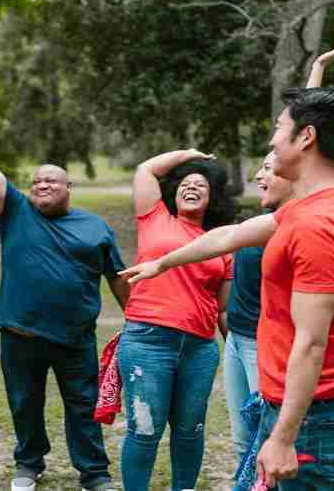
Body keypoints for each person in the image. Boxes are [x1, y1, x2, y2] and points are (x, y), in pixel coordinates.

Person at [120, 85, 334, 491]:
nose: (271, 139)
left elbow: (311, 343)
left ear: (306, 137)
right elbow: (230, 235)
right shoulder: (306, 208)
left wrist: (284, 437)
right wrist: (163, 262)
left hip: (310, 418)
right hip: (295, 407)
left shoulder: (317, 225)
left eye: (279, 127)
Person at [0, 92, 129, 491]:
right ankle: (29, 463)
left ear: (68, 187)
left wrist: (136, 318)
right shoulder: (16, 212)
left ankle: (94, 473)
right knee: (25, 404)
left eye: (51, 181)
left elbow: (117, 276)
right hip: (21, 334)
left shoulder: (95, 226)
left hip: (75, 339)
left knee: (83, 406)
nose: (42, 185)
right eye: (36, 181)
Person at [224, 37, 334, 462]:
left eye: (269, 160)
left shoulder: (305, 209)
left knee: (261, 445)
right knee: (246, 443)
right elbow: (304, 125)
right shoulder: (273, 213)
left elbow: (307, 136)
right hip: (241, 335)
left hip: (272, 352)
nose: (265, 167)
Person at [118, 149, 237, 491]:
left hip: (199, 349)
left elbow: (224, 310)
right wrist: (189, 155)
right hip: (147, 341)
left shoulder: (221, 242)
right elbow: (144, 168)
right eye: (185, 182)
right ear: (173, 192)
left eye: (201, 184)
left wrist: (238, 352)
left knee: (190, 429)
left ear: (212, 198)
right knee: (144, 429)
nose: (192, 187)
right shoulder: (154, 217)